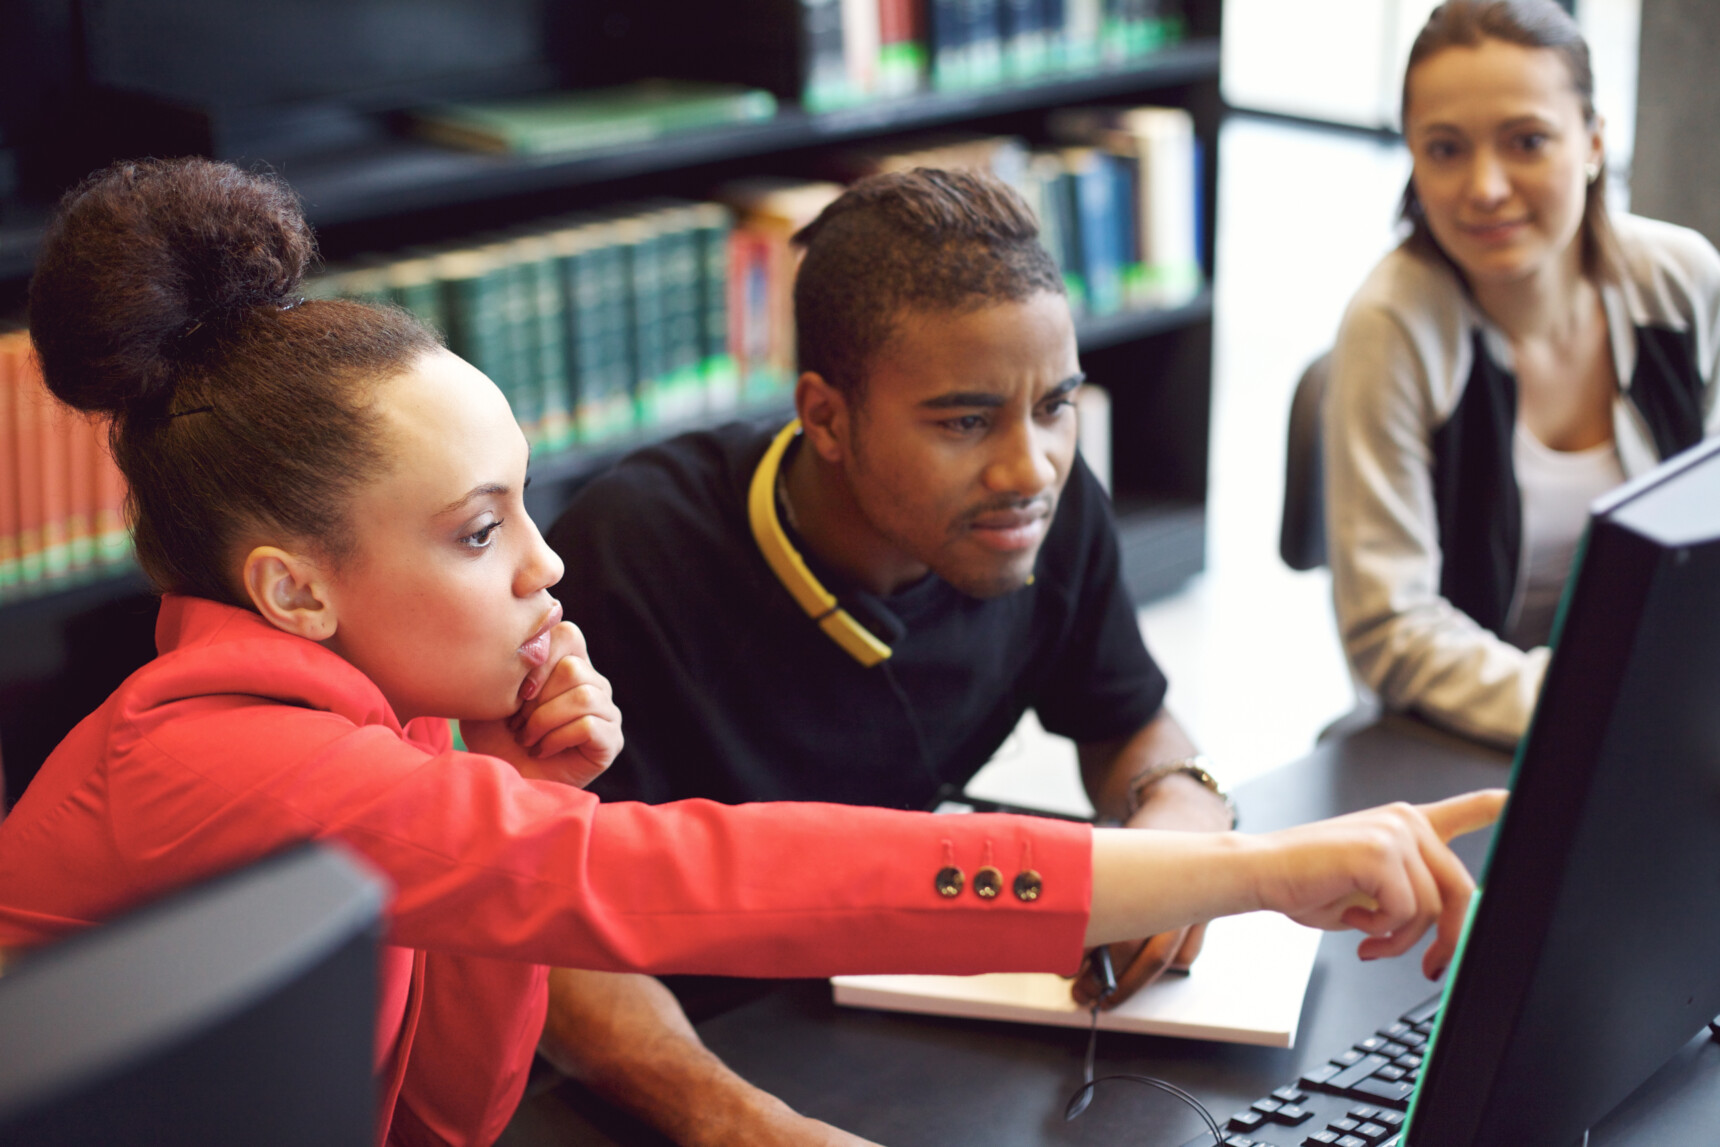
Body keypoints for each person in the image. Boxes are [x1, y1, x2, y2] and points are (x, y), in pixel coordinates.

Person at [0, 157, 1502, 1147]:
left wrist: (521, 784)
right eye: (478, 531)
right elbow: (709, 873)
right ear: (296, 588)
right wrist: (1253, 868)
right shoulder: (226, 755)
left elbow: (441, 1114)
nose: (548, 559)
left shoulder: (376, 735)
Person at [536, 169, 1256, 1145]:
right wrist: (738, 1123)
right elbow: (547, 930)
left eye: (1055, 405)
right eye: (964, 421)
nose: (1028, 467)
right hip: (689, 1043)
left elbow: (1125, 717)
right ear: (825, 417)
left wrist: (1182, 807)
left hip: (892, 1003)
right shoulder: (633, 554)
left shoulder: (1044, 504)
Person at [1325, 0, 1720, 748]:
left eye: (1527, 141)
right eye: (1445, 149)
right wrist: (1592, 701)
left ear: (1596, 141)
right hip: (1465, 737)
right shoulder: (1393, 326)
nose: (1485, 187)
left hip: (1661, 712)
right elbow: (1390, 629)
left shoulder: (1682, 282)